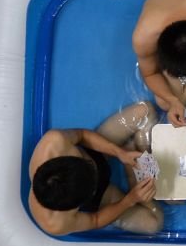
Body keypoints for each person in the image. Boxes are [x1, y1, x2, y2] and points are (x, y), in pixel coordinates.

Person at [28, 101, 163, 236]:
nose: (96, 174)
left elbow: (82, 135)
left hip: (97, 153)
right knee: (154, 225)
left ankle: (135, 153)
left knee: (145, 110)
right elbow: (95, 220)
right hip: (102, 195)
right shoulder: (55, 223)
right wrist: (130, 200)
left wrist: (119, 153)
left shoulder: (54, 142)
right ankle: (134, 174)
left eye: (88, 165)